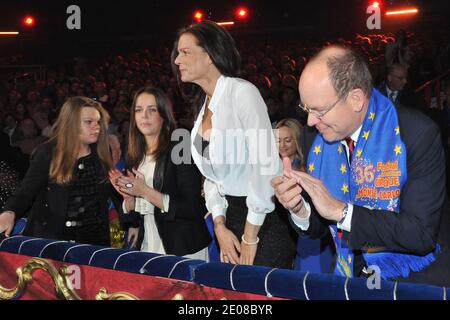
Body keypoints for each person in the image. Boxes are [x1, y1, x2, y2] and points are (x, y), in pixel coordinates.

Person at [272, 45, 450, 286]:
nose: (311, 120)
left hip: (415, 279)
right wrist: (299, 208)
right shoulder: (314, 136)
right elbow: (321, 226)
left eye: (319, 110)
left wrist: (341, 211)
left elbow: (420, 233)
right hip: (352, 278)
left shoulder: (416, 134)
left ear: (356, 99)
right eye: (306, 108)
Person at [171, 21, 294, 268]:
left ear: (209, 55)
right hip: (229, 225)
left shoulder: (242, 93)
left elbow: (266, 164)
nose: (177, 60)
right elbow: (213, 179)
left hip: (264, 223)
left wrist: (250, 237)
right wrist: (219, 225)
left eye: (185, 52)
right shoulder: (203, 107)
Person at [0, 97, 120, 246]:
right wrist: (10, 211)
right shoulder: (48, 152)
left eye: (98, 122)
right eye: (89, 122)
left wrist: (132, 222)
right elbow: (27, 190)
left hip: (93, 243)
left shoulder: (101, 153)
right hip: (53, 242)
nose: (97, 127)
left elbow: (114, 193)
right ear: (71, 124)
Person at [109, 87, 211, 258]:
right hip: (147, 246)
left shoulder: (180, 143)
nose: (144, 115)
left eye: (152, 109)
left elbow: (193, 208)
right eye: (139, 110)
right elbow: (131, 219)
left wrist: (144, 191)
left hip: (183, 249)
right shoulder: (134, 153)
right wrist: (129, 199)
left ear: (164, 114)